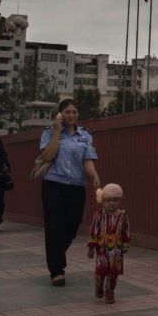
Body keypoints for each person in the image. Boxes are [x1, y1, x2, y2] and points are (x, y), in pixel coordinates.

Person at [38, 97, 101, 287]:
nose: (71, 115)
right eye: (67, 112)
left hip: (76, 186)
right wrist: (57, 132)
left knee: (73, 224)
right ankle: (57, 270)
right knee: (54, 227)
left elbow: (87, 159)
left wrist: (95, 176)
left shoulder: (85, 135)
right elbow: (47, 155)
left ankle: (56, 252)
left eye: (74, 112)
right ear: (60, 114)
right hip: (53, 185)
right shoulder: (49, 132)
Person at [87, 183, 130, 304]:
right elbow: (94, 230)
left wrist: (126, 243)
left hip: (116, 250)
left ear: (119, 200)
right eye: (108, 200)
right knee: (100, 271)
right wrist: (91, 247)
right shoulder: (99, 215)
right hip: (101, 249)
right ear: (103, 201)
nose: (112, 203)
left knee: (113, 272)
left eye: (115, 200)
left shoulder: (123, 215)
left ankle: (110, 291)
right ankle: (99, 286)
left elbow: (126, 230)